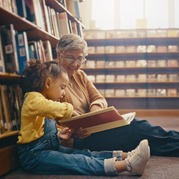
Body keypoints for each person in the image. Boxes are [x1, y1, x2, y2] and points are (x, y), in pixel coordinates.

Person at [17, 60, 150, 176]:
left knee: (83, 153)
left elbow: (40, 132)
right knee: (77, 161)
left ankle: (124, 155)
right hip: (33, 156)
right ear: (48, 83)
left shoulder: (44, 102)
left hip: (47, 149)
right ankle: (128, 165)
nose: (63, 94)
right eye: (62, 88)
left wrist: (58, 135)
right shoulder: (33, 99)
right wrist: (71, 111)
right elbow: (50, 107)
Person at [57, 33, 179, 157]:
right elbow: (52, 117)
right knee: (136, 132)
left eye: (80, 58)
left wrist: (93, 117)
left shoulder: (80, 75)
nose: (75, 63)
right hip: (77, 139)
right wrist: (76, 131)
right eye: (70, 57)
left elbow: (98, 98)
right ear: (59, 54)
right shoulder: (52, 79)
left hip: (94, 129)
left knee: (138, 128)